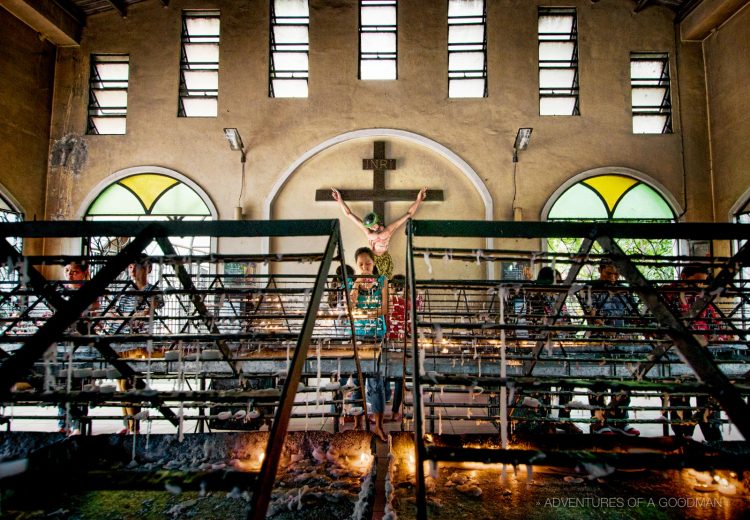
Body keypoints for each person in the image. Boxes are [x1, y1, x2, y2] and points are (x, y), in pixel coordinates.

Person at [667, 265, 726, 441]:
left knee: (708, 401)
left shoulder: (702, 296)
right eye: (696, 281)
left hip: (703, 354)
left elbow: (714, 322)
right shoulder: (667, 295)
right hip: (677, 354)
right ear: (684, 276)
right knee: (680, 401)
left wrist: (719, 337)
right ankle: (683, 442)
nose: (700, 285)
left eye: (703, 282)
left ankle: (714, 440)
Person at [585, 261, 640, 436]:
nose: (613, 278)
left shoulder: (624, 290)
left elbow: (634, 314)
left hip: (623, 341)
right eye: (609, 273)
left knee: (622, 381)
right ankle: (599, 423)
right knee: (598, 382)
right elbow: (591, 315)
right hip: (599, 341)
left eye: (616, 274)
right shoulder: (591, 289)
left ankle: (620, 420)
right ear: (600, 271)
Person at [109, 257, 164, 434]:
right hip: (121, 341)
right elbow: (113, 312)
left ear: (147, 269)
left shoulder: (153, 290)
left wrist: (144, 312)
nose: (132, 270)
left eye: (136, 266)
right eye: (130, 266)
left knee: (130, 382)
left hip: (140, 343)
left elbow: (156, 304)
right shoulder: (124, 290)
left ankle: (133, 427)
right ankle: (130, 425)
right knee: (122, 384)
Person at [332, 187, 428, 279]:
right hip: (372, 259)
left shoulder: (388, 230)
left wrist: (418, 199)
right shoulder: (368, 232)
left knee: (385, 283)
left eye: (373, 225)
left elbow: (408, 214)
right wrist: (339, 200)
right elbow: (349, 214)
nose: (372, 228)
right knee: (370, 282)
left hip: (384, 258)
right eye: (370, 226)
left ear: (377, 220)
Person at [348, 247, 388, 441]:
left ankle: (378, 425)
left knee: (375, 381)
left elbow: (385, 308)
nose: (365, 268)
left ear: (374, 264)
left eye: (368, 264)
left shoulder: (382, 281)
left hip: (376, 335)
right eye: (361, 265)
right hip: (357, 335)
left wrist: (367, 315)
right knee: (356, 380)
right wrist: (356, 282)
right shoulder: (351, 282)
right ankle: (357, 424)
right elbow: (351, 305)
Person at [58, 261, 98, 436]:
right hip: (64, 341)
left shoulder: (90, 292)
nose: (70, 275)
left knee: (80, 381)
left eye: (74, 271)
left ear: (83, 273)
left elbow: (95, 309)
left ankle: (76, 423)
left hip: (82, 342)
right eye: (67, 271)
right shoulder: (60, 292)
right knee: (62, 380)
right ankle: (63, 422)